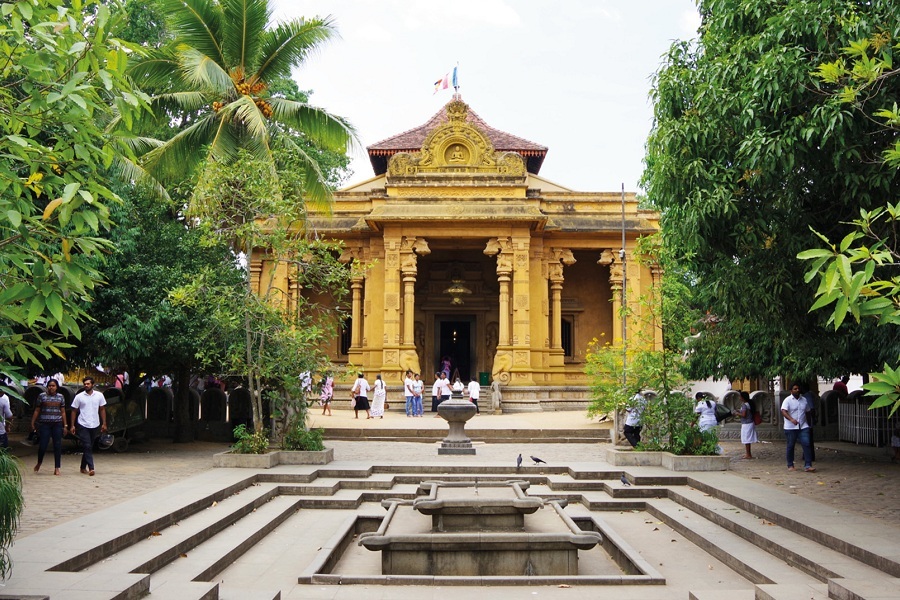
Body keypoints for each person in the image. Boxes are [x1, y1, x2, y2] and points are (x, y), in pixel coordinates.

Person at [70, 377, 107, 476]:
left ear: (92, 385)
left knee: (89, 446)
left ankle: (82, 467)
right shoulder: (79, 397)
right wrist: (72, 425)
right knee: (86, 445)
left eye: (88, 384)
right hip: (83, 423)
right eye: (85, 384)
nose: (86, 385)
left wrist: (104, 423)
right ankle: (91, 468)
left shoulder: (99, 395)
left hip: (95, 423)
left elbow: (102, 409)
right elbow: (74, 410)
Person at [31, 379, 68, 475]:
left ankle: (57, 467)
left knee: (57, 445)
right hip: (45, 424)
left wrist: (65, 425)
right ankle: (39, 462)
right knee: (43, 445)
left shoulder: (60, 397)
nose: (51, 387)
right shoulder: (42, 396)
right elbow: (37, 410)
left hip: (57, 423)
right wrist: (33, 422)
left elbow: (63, 412)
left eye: (53, 386)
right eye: (50, 385)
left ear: (56, 387)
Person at [781, 384, 815, 472]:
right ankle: (790, 465)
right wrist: (791, 419)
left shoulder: (804, 400)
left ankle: (808, 465)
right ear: (791, 391)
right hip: (791, 427)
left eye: (798, 388)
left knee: (807, 444)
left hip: (803, 426)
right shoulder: (787, 400)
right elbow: (784, 411)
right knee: (791, 445)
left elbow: (807, 412)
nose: (797, 390)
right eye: (795, 389)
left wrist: (809, 423)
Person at [736, 390, 758, 459]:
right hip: (750, 422)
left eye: (740, 396)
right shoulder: (748, 404)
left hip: (746, 423)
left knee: (746, 439)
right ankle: (748, 453)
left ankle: (748, 454)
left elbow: (744, 414)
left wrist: (737, 413)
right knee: (747, 439)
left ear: (742, 397)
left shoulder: (744, 405)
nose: (739, 398)